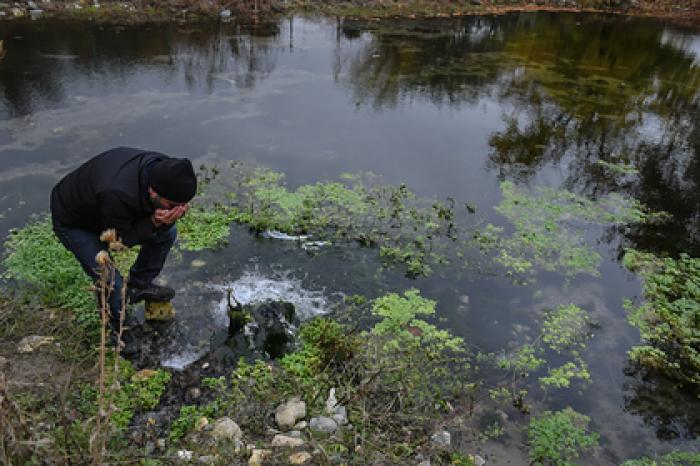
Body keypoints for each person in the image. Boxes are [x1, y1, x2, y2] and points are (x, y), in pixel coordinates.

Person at [50, 147, 197, 352]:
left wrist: (164, 219)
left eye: (183, 205)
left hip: (108, 208)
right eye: (172, 205)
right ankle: (118, 331)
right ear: (153, 191)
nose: (177, 210)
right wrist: (154, 221)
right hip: (76, 221)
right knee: (110, 279)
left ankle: (138, 286)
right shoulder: (116, 192)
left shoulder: (166, 170)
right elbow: (118, 243)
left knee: (167, 233)